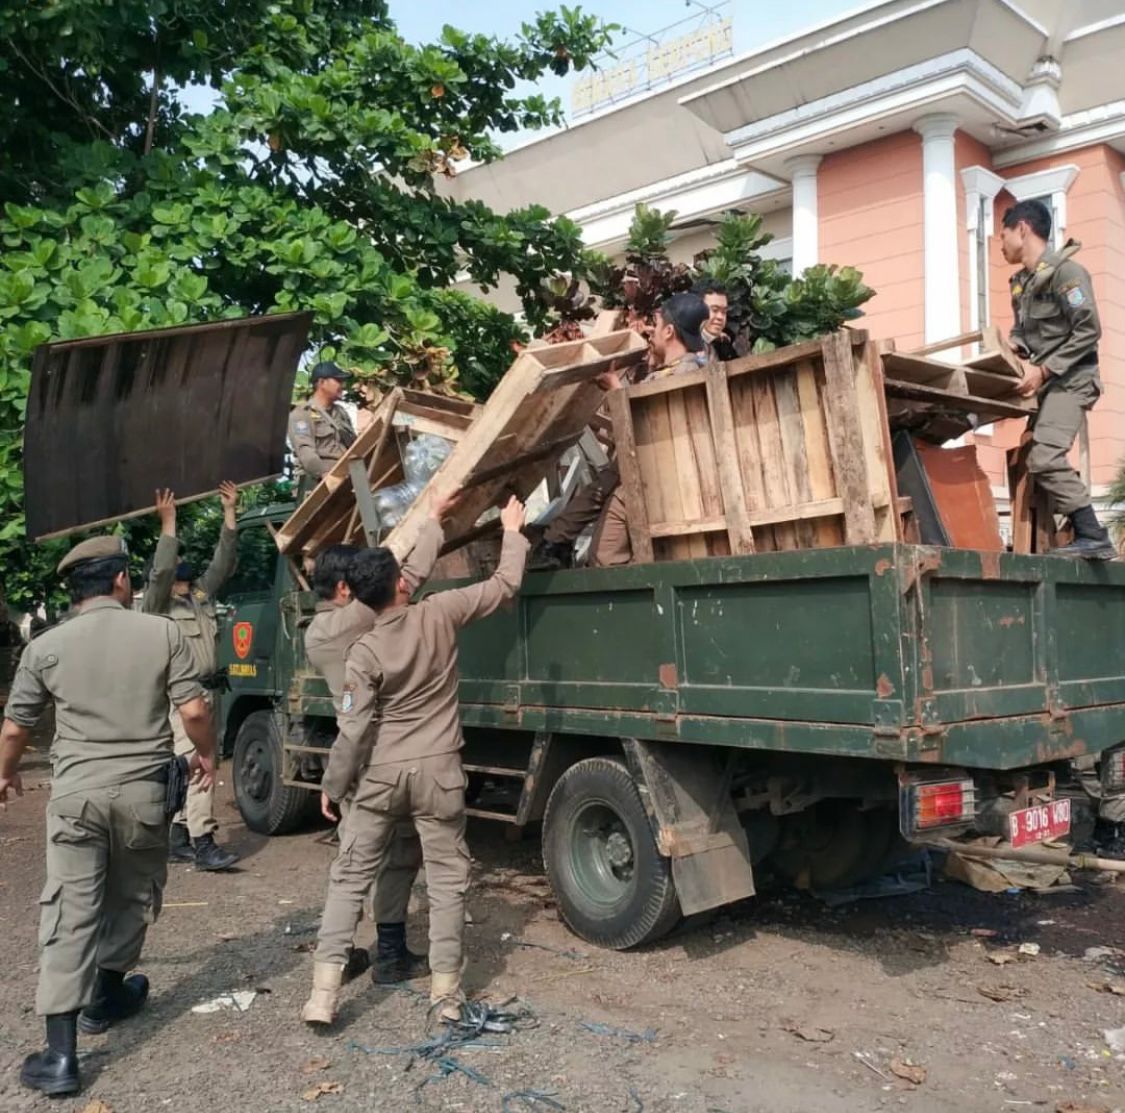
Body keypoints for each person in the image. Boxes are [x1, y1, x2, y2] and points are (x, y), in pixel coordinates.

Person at [0, 536, 216, 1097]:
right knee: (132, 894)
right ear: (121, 581)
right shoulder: (162, 632)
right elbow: (192, 709)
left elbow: (15, 728)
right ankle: (107, 994)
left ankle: (61, 1055)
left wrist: (5, 772)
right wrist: (207, 752)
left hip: (76, 797)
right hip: (144, 794)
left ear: (75, 589)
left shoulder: (45, 647)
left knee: (70, 910)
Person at [302, 496, 529, 1027]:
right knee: (447, 882)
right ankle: (446, 995)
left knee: (350, 877)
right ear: (395, 585)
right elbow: (501, 585)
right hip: (439, 772)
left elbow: (355, 728)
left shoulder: (357, 646)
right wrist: (512, 531)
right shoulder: (439, 614)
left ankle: (323, 992)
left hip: (377, 773)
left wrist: (332, 786)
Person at [304, 496, 452, 984]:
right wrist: (432, 522)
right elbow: (410, 577)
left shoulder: (320, 632)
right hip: (381, 756)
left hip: (369, 763)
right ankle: (374, 953)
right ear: (348, 588)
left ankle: (374, 953)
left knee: (366, 860)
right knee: (378, 859)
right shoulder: (347, 623)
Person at [533, 292, 710, 569]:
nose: (651, 330)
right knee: (602, 486)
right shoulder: (684, 369)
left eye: (656, 323)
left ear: (670, 331)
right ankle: (555, 543)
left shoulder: (683, 375)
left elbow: (651, 428)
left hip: (651, 480)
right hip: (636, 472)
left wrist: (616, 390)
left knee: (604, 557)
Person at [1001, 199, 1114, 559]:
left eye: (1002, 235)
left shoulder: (1068, 273)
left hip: (1073, 378)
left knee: (1045, 458)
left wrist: (1044, 369)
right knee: (1031, 461)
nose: (1000, 244)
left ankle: (1093, 535)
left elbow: (1089, 330)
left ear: (1023, 229)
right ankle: (1059, 538)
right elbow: (1023, 335)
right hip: (1045, 384)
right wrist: (1007, 354)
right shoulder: (1021, 284)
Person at [142, 484, 240, 870]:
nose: (180, 563)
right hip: (183, 696)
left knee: (187, 763)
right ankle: (204, 842)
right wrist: (169, 524)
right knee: (201, 764)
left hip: (208, 690)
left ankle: (180, 835)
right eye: (176, 556)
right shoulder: (157, 602)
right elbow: (162, 569)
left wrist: (229, 513)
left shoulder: (199, 596)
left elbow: (224, 561)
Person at [288, 362, 357, 485]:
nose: (343, 385)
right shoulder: (301, 415)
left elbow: (353, 445)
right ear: (321, 383)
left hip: (348, 477)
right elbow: (306, 453)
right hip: (319, 484)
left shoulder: (340, 412)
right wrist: (326, 476)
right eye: (338, 381)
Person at [692, 278, 739, 362]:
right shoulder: (685, 346)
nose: (720, 317)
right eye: (714, 310)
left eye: (724, 312)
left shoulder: (727, 343)